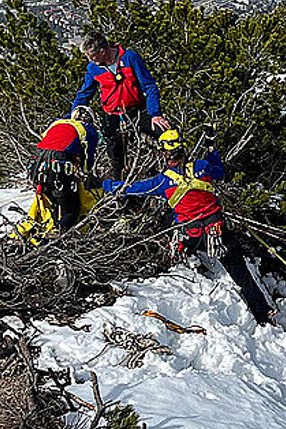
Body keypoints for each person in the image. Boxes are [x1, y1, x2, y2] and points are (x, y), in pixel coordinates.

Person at [103, 128, 272, 325]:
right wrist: (211, 150)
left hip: (190, 236)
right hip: (217, 231)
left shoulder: (163, 181)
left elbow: (130, 189)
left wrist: (102, 184)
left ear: (165, 155)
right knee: (242, 277)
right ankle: (263, 315)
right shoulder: (203, 167)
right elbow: (220, 172)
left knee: (169, 218)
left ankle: (182, 257)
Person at [71, 32, 166, 180]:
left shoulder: (129, 58)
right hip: (112, 116)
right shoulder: (93, 69)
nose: (90, 60)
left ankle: (174, 175)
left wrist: (155, 114)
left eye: (92, 55)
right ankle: (123, 194)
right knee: (117, 159)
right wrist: (75, 112)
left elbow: (149, 85)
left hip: (137, 111)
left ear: (102, 51)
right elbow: (85, 93)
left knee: (166, 134)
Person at [18, 111, 99, 240]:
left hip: (37, 167)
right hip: (58, 168)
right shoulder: (88, 130)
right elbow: (88, 160)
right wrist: (87, 176)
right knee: (72, 208)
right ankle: (58, 238)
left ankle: (53, 229)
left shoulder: (57, 124)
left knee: (54, 202)